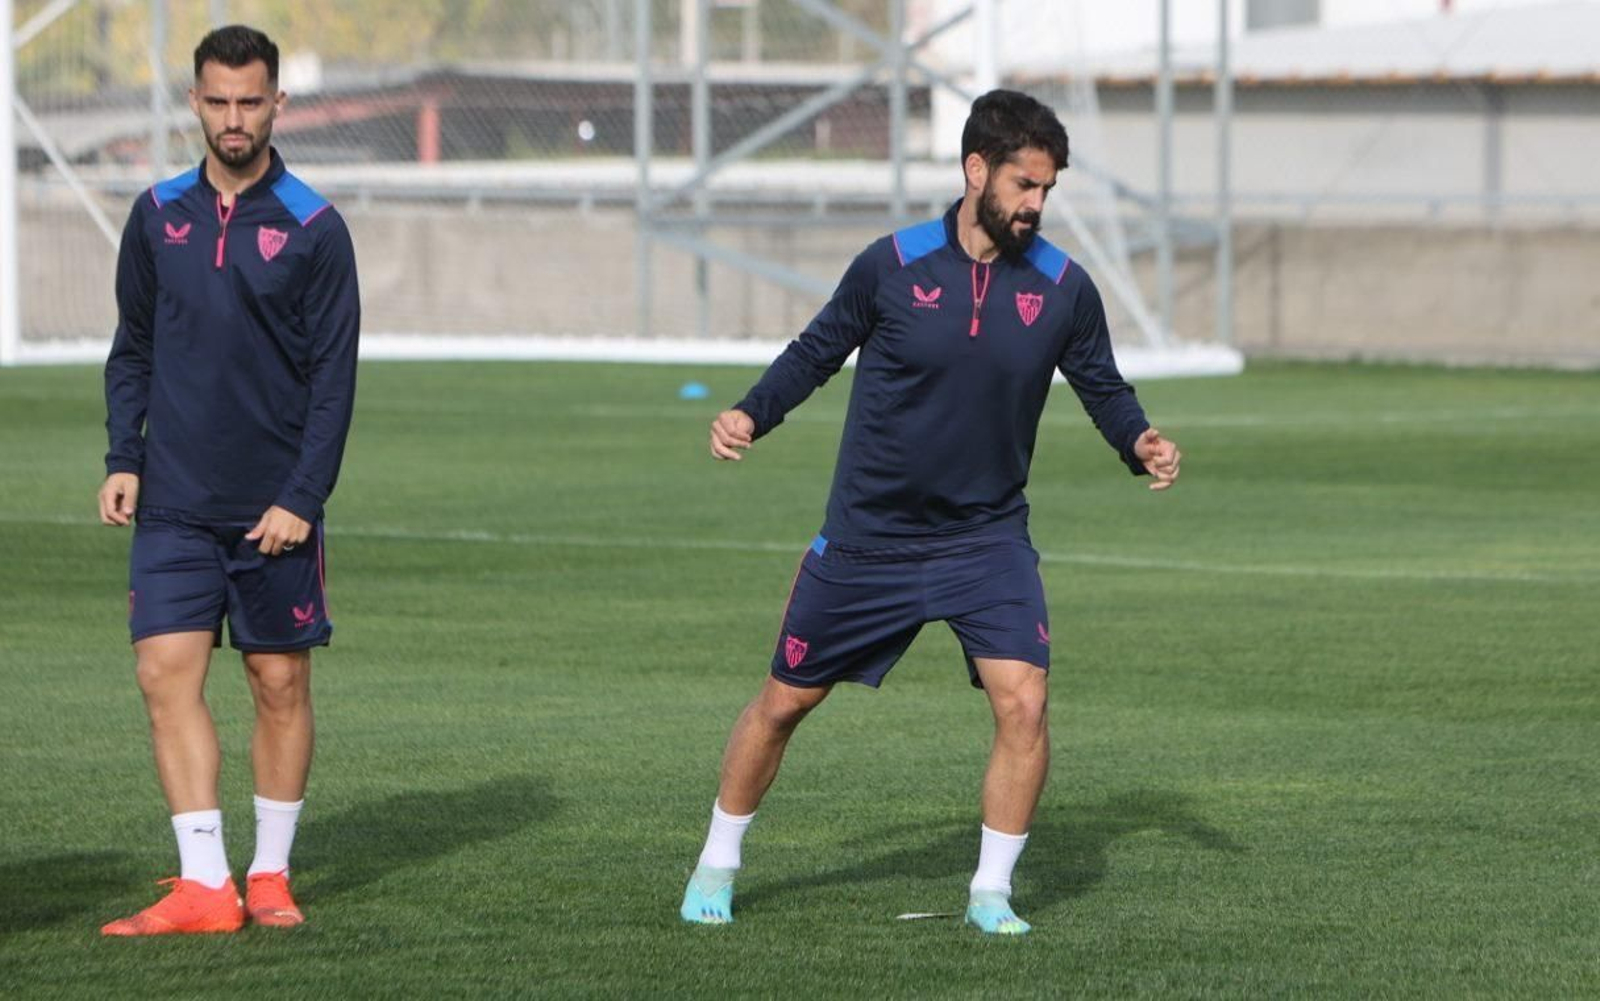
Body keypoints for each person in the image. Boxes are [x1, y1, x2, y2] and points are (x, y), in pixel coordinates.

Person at [680, 90, 1181, 935]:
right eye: (1025, 184)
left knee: (1024, 701)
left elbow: (1101, 383)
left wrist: (1138, 442)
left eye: (1048, 190)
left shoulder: (1064, 286)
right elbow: (816, 350)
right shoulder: (891, 264)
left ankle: (991, 892)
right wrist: (749, 413)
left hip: (986, 538)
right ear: (975, 169)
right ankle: (716, 863)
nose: (1035, 205)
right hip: (870, 539)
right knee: (784, 703)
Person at [97, 25, 360, 936]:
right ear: (195, 102)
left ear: (278, 103)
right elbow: (132, 346)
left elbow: (335, 380)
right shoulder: (155, 212)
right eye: (218, 101)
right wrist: (122, 457)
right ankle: (205, 884)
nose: (234, 118)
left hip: (272, 510)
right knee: (164, 672)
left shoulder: (315, 227)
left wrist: (301, 497)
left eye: (251, 101)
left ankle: (272, 873)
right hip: (170, 499)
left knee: (278, 682)